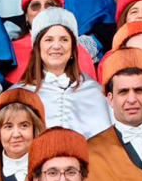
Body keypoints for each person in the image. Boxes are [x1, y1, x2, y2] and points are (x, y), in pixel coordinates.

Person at [16, 8, 110, 137]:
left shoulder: (95, 92)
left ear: (73, 48)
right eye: (49, 40)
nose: (56, 46)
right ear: (37, 47)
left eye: (64, 39)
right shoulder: (19, 94)